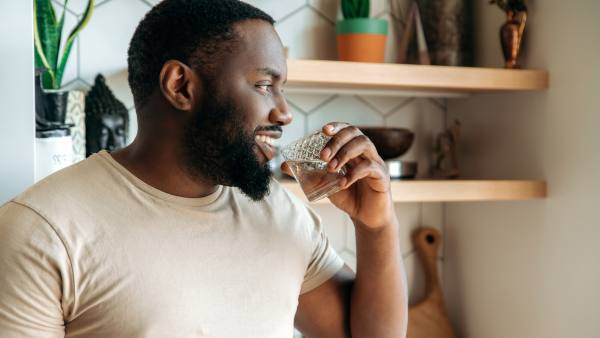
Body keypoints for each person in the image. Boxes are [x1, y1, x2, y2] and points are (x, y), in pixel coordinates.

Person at [0, 0, 407, 337]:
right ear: (181, 86)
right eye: (265, 85)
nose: (284, 113)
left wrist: (376, 226)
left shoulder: (280, 212)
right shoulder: (43, 229)